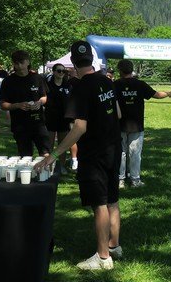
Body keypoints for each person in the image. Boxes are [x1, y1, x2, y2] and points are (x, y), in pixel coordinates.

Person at [36, 40, 122, 270]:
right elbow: (118, 113)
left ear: (73, 62)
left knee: (99, 204)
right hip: (114, 147)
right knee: (112, 200)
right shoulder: (107, 80)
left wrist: (54, 154)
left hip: (95, 153)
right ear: (92, 60)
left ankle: (103, 257)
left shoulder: (81, 88)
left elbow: (79, 127)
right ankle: (114, 245)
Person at [114, 59, 171, 188]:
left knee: (120, 153)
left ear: (120, 71)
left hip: (119, 125)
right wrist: (169, 93)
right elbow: (157, 95)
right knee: (135, 154)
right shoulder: (140, 84)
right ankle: (135, 180)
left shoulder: (115, 85)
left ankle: (120, 180)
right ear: (132, 70)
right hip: (136, 125)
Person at [0, 50, 51, 157]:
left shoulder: (37, 78)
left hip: (38, 123)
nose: (19, 66)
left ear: (28, 62)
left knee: (45, 153)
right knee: (25, 156)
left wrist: (39, 102)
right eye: (16, 63)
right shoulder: (8, 81)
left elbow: (44, 97)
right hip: (20, 125)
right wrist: (17, 105)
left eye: (22, 62)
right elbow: (3, 105)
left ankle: (47, 168)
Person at [45, 63, 74, 174]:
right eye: (59, 70)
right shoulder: (47, 85)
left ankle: (61, 166)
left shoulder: (68, 85)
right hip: (50, 117)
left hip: (64, 119)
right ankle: (48, 165)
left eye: (63, 71)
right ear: (53, 72)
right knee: (49, 144)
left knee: (62, 144)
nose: (61, 73)